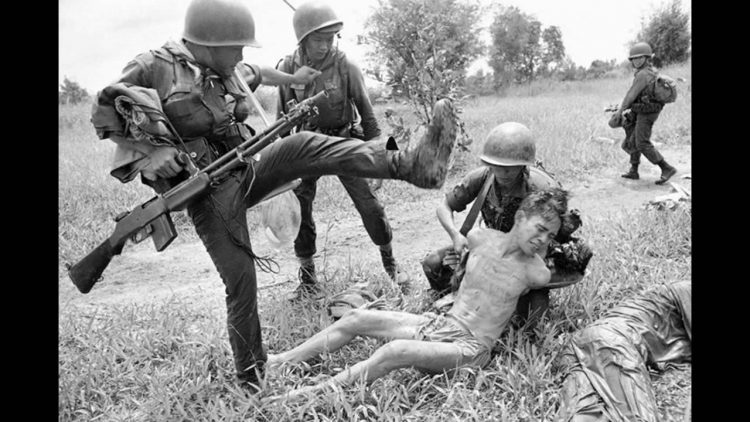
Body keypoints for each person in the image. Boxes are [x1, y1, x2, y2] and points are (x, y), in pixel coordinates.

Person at [89, 0, 459, 392]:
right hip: (206, 196)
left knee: (302, 143)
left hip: (243, 170)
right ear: (209, 43)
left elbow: (260, 72)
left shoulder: (227, 69)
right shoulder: (155, 66)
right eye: (237, 47)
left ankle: (410, 165)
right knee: (241, 282)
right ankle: (251, 377)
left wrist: (292, 77)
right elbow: (104, 111)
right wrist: (151, 152)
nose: (241, 55)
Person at [264, 188, 571, 401]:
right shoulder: (479, 238)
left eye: (550, 235)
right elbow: (462, 270)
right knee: (356, 317)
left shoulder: (536, 272)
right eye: (539, 228)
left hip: (470, 347)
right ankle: (280, 360)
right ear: (520, 218)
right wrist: (456, 258)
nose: (542, 239)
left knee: (395, 351)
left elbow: (562, 276)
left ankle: (311, 393)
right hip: (441, 324)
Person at [276, 1, 405, 298]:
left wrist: (381, 160)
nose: (325, 46)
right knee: (300, 208)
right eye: (318, 40)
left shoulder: (347, 66)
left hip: (344, 141)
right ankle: (308, 279)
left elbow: (369, 119)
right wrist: (280, 168)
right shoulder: (288, 69)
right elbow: (281, 123)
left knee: (370, 205)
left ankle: (392, 265)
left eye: (330, 39)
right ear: (303, 40)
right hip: (306, 146)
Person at [421, 122, 571, 327]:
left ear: (524, 165)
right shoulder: (481, 178)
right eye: (496, 166)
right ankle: (460, 296)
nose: (501, 173)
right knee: (434, 264)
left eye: (509, 168)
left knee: (532, 320)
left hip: (528, 255)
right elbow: (444, 206)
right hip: (490, 247)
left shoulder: (541, 189)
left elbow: (550, 237)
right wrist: (456, 236)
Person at [555, 280, 691, 422]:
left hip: (582, 347)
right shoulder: (685, 289)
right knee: (637, 417)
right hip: (612, 341)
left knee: (584, 416)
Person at [614, 42, 677, 185]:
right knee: (632, 139)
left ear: (647, 58)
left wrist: (620, 110)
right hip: (643, 109)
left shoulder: (643, 74)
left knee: (641, 142)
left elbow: (631, 95)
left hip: (647, 112)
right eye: (634, 58)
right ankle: (634, 170)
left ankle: (666, 168)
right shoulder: (649, 71)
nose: (636, 61)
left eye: (639, 58)